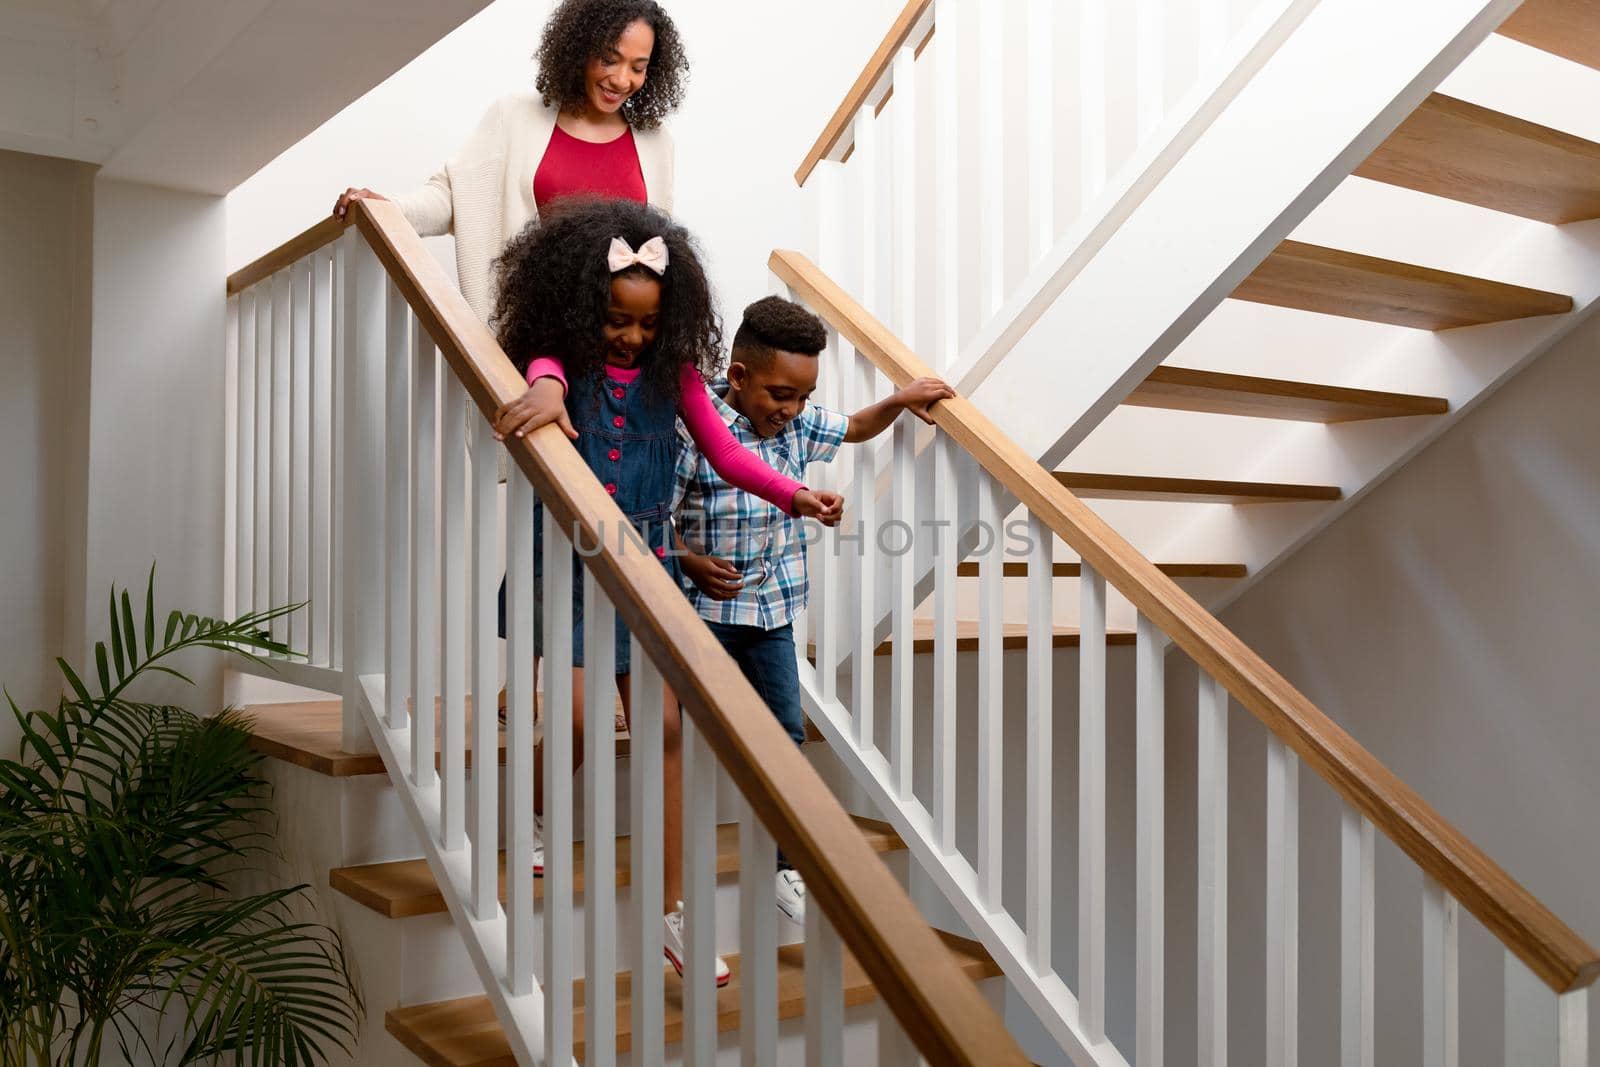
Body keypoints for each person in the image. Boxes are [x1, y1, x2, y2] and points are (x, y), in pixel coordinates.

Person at [488, 200, 843, 986]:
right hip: (573, 556)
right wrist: (545, 393)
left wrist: (793, 496)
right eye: (618, 319)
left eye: (648, 324)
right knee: (581, 714)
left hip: (645, 564)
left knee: (669, 730)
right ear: (586, 308)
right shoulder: (562, 362)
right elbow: (542, 374)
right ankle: (536, 814)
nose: (632, 337)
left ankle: (670, 912)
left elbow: (725, 452)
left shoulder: (675, 376)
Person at [670, 296, 953, 925]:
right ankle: (679, 882)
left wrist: (898, 401)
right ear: (738, 377)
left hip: (773, 611)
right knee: (691, 742)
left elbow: (852, 427)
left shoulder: (796, 423)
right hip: (703, 617)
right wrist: (688, 559)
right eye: (779, 394)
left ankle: (783, 864)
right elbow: (655, 522)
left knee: (787, 733)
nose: (791, 410)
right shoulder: (696, 430)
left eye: (803, 395)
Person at [331, 0, 688, 324]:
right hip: (534, 335)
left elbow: (656, 254)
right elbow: (455, 197)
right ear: (580, 47)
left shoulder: (656, 144)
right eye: (609, 59)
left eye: (638, 68)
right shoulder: (515, 117)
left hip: (625, 347)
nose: (622, 79)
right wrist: (390, 209)